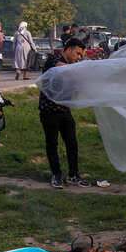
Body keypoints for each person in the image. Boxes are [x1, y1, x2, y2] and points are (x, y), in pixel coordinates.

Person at [39, 37, 91, 188]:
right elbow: (62, 69)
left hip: (63, 110)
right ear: (68, 50)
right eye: (77, 54)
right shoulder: (54, 59)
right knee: (52, 143)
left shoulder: (70, 66)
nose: (79, 58)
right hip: (49, 110)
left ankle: (74, 175)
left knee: (72, 142)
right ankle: (56, 175)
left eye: (81, 55)